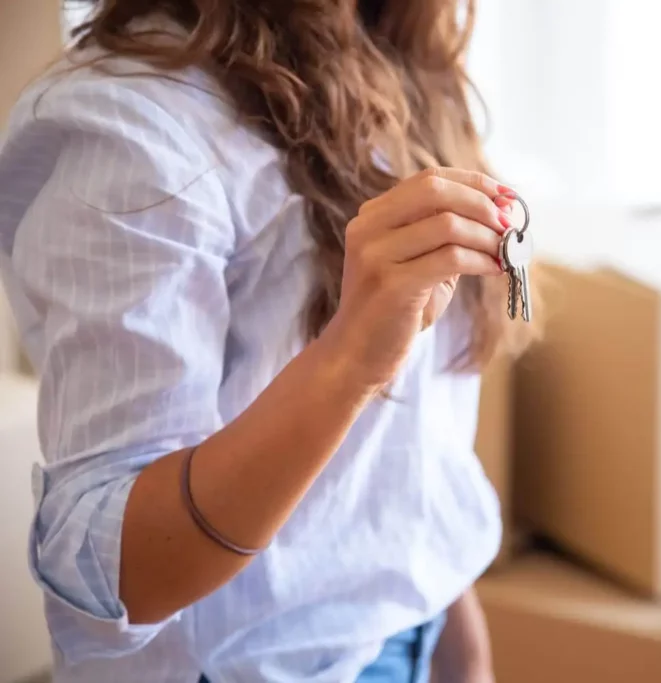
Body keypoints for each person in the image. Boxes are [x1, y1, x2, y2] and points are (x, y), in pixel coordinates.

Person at [0, 1, 537, 681]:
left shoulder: (396, 45)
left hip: (413, 636)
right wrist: (347, 362)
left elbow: (401, 462)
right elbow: (121, 571)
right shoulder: (130, 125)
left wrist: (461, 649)